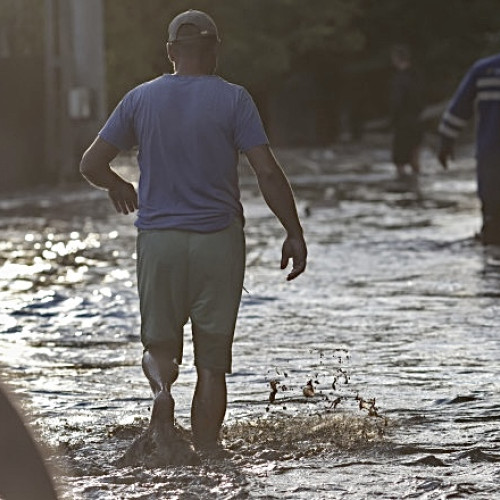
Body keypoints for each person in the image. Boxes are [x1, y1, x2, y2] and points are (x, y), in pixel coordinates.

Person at [80, 9, 307, 457]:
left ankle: (162, 392)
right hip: (218, 241)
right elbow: (267, 171)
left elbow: (90, 164)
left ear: (170, 53)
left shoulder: (139, 99)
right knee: (212, 365)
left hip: (160, 241)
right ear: (215, 52)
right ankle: (208, 453)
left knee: (159, 345)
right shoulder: (235, 99)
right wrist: (293, 231)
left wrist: (119, 185)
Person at [438, 52, 500, 245]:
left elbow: (459, 108)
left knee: (492, 209)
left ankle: (491, 265)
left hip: (490, 152)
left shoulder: (484, 70)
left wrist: (446, 141)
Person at [389, 44, 425, 177]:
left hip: (403, 123)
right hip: (417, 121)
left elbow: (397, 102)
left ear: (396, 59)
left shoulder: (399, 79)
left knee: (400, 161)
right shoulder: (417, 76)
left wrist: (392, 120)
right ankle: (416, 188)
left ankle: (404, 190)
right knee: (415, 158)